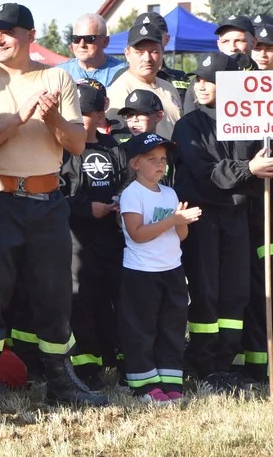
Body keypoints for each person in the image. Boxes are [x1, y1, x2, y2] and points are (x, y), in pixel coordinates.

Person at [0, 2, 107, 412]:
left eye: (7, 32)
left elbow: (76, 144)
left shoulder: (57, 76)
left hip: (47, 202)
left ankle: (61, 381)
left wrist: (54, 117)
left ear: (30, 36)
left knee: (55, 294)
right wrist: (20, 118)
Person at [172, 52, 273, 391]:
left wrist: (254, 170)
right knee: (206, 293)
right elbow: (210, 174)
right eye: (198, 79)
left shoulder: (253, 121)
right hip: (203, 218)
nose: (202, 86)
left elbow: (258, 168)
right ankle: (202, 362)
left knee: (235, 294)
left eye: (210, 80)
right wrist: (249, 171)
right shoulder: (189, 125)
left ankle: (225, 363)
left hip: (238, 217)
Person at [117, 133, 199, 403]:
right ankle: (144, 383)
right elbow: (137, 233)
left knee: (172, 327)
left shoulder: (170, 192)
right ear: (135, 164)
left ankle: (170, 380)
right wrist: (173, 219)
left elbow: (180, 235)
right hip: (142, 273)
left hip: (172, 270)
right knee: (142, 329)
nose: (160, 164)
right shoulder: (132, 194)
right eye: (151, 159)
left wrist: (182, 221)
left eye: (163, 159)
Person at [60, 80, 125, 391]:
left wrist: (120, 204)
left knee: (119, 299)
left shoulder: (113, 148)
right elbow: (58, 194)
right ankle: (88, 368)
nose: (82, 120)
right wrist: (88, 208)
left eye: (87, 113)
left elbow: (126, 182)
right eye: (77, 113)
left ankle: (125, 362)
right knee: (81, 303)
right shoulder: (60, 150)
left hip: (112, 239)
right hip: (77, 240)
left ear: (101, 115)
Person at [242, 21, 273, 381]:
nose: (264, 53)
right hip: (252, 198)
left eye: (270, 47)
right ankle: (255, 358)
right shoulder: (240, 85)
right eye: (260, 46)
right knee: (253, 282)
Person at [106, 22, 181, 139]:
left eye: (153, 52)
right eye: (139, 52)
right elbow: (119, 139)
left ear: (162, 53)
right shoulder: (120, 90)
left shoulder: (169, 88)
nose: (147, 58)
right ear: (127, 54)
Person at [183, 15, 256, 115]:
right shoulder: (199, 83)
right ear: (219, 45)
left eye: (239, 41)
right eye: (225, 41)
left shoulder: (265, 81)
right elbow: (190, 121)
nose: (232, 47)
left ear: (254, 43)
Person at [58, 14, 127, 87]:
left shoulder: (124, 73)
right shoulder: (59, 73)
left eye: (89, 39)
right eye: (76, 39)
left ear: (105, 41)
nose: (81, 45)